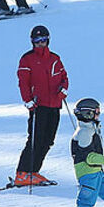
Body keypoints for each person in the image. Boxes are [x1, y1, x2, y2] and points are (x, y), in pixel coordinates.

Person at [14, 25, 69, 187]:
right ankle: (23, 173)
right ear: (32, 41)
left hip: (55, 104)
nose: (40, 43)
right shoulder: (27, 59)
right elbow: (23, 83)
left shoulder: (55, 58)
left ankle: (33, 172)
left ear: (48, 40)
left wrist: (63, 89)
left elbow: (64, 77)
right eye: (37, 40)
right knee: (35, 139)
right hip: (38, 105)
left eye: (43, 40)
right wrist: (28, 100)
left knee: (48, 140)